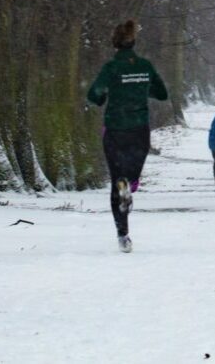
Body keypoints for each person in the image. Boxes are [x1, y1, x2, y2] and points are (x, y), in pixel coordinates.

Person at [85, 19, 168, 252]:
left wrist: (105, 96)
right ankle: (129, 184)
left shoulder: (111, 68)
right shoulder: (145, 66)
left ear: (115, 43)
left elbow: (94, 94)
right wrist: (141, 89)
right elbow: (162, 94)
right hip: (139, 130)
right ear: (134, 42)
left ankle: (123, 235)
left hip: (115, 129)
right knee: (131, 176)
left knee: (116, 180)